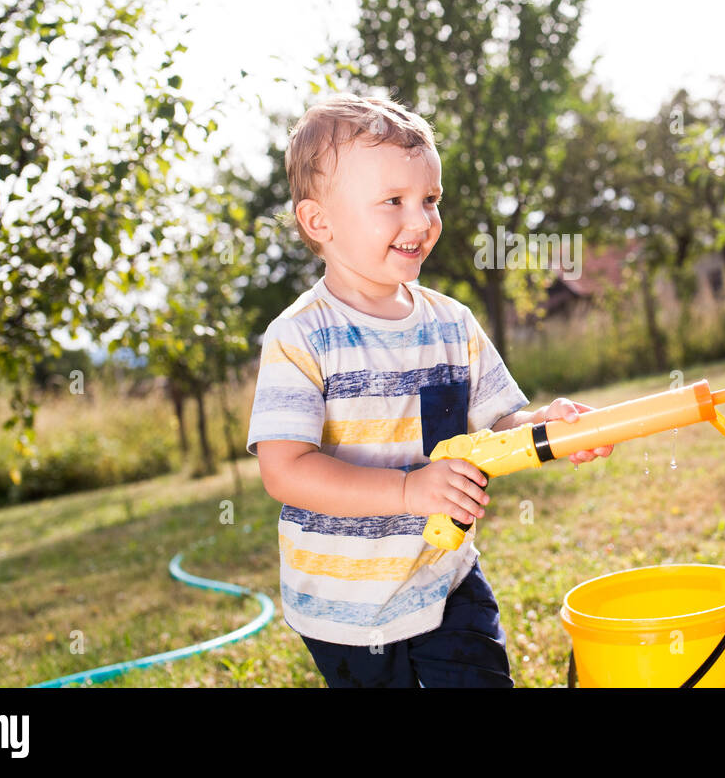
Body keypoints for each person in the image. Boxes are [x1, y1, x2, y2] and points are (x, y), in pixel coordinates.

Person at [246, 92, 614, 687]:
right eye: (392, 202)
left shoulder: (451, 324)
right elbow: (284, 471)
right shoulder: (299, 337)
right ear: (320, 222)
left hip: (445, 580)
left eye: (430, 200)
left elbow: (499, 428)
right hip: (346, 610)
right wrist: (409, 490)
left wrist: (549, 429)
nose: (420, 221)